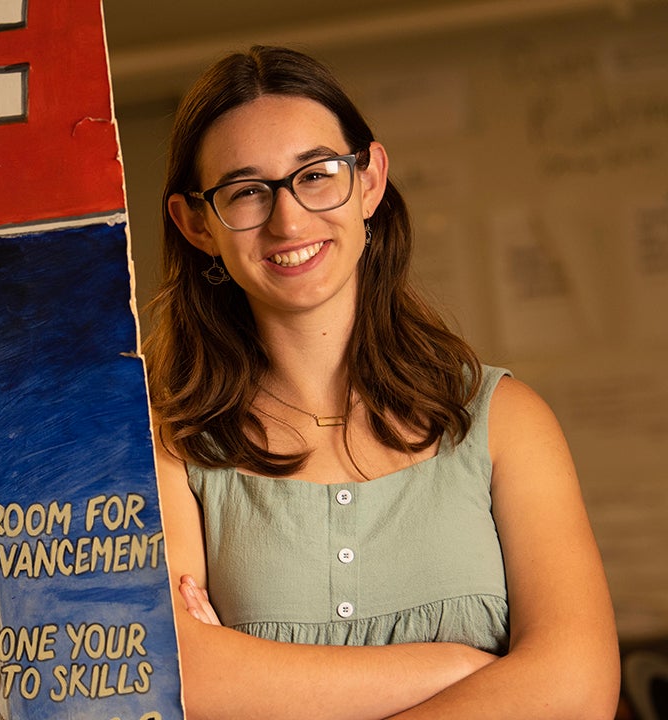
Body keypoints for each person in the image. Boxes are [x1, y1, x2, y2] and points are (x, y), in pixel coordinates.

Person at [142, 46, 620, 719]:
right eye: (246, 191)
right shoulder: (165, 442)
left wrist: (258, 684)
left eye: (317, 174)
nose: (289, 220)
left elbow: (577, 691)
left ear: (369, 182)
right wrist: (460, 670)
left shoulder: (506, 420)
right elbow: (178, 673)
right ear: (197, 224)